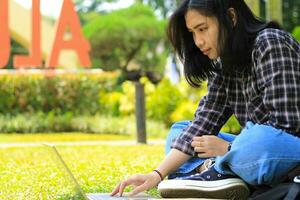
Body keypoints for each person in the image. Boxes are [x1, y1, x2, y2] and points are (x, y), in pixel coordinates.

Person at [111, 0, 300, 198]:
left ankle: (219, 170)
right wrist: (157, 174)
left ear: (231, 17)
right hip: (252, 153)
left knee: (258, 139)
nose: (198, 41)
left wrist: (226, 149)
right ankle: (222, 171)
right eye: (193, 32)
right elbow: (203, 123)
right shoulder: (224, 62)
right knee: (179, 134)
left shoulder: (270, 42)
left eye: (202, 29)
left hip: (282, 147)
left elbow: (286, 128)